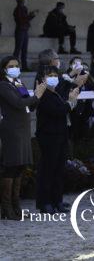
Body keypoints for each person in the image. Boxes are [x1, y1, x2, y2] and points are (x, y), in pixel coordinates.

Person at [0, 56, 46, 219]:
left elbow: (30, 105)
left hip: (24, 128)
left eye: (17, 65)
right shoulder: (3, 85)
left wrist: (38, 95)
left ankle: (16, 206)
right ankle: (6, 208)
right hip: (12, 129)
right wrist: (37, 95)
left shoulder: (19, 83)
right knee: (11, 166)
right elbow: (18, 103)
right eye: (11, 66)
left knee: (20, 166)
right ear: (4, 68)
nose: (15, 68)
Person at [35, 65, 79, 214]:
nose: (53, 78)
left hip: (60, 135)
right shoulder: (43, 95)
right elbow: (57, 111)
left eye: (55, 75)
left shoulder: (56, 93)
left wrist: (70, 101)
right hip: (48, 137)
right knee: (48, 170)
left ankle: (57, 200)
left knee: (59, 169)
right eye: (49, 75)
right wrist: (71, 102)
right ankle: (45, 202)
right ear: (42, 79)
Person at [13, 0, 38, 70]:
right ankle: (13, 66)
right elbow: (22, 21)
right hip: (20, 31)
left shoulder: (24, 8)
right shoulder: (18, 9)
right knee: (18, 50)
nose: (25, 1)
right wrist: (31, 15)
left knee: (24, 50)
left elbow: (25, 19)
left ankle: (24, 66)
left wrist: (31, 15)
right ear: (20, 0)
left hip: (24, 31)